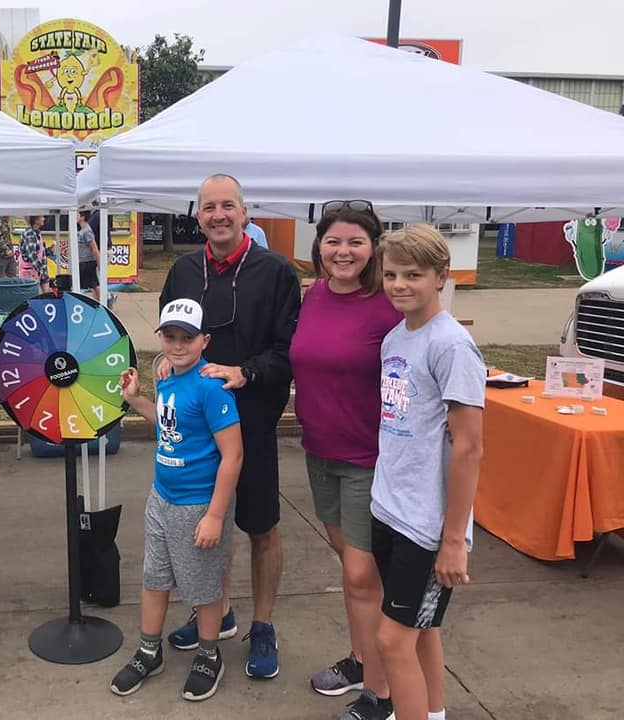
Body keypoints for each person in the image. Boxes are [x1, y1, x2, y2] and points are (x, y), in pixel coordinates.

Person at [160, 174, 300, 680]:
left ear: (245, 213)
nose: (218, 215)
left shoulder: (275, 271)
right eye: (208, 207)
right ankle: (215, 617)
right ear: (197, 216)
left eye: (227, 206)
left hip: (254, 420)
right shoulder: (182, 270)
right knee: (206, 529)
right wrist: (163, 361)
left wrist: (246, 372)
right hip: (196, 434)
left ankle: (262, 625)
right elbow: (173, 336)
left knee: (261, 528)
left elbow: (290, 351)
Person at [289, 201, 402, 720]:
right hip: (320, 452)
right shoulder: (312, 297)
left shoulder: (388, 306)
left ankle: (382, 695)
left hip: (368, 457)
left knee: (361, 575)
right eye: (333, 241)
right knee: (350, 566)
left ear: (373, 248)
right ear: (319, 248)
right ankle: (361, 659)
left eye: (356, 241)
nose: (343, 251)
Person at [373, 224, 485, 720]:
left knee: (392, 641)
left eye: (413, 275)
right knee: (421, 632)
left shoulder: (453, 347)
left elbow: (469, 448)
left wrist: (454, 539)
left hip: (427, 525)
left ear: (441, 276)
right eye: (391, 273)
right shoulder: (396, 338)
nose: (398, 284)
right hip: (389, 507)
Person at [110, 298, 242, 702]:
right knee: (154, 578)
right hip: (162, 497)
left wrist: (216, 515)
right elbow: (166, 422)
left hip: (198, 504)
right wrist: (135, 398)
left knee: (203, 588)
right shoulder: (167, 375)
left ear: (205, 340)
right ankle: (150, 650)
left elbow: (233, 455)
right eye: (170, 336)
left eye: (187, 338)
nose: (178, 345)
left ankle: (208, 655)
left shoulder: (211, 388)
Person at [19, 215, 49, 293]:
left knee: (46, 296)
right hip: (31, 273)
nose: (44, 219)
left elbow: (40, 252)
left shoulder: (37, 233)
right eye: (42, 217)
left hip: (39, 272)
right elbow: (32, 256)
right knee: (34, 296)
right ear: (36, 220)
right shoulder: (29, 234)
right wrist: (41, 271)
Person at [76, 210, 100, 300]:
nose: (75, 216)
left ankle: (105, 300)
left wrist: (99, 263)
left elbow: (94, 248)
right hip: (83, 261)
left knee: (94, 284)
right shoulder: (82, 230)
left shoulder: (86, 231)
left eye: (77, 214)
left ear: (82, 217)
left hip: (87, 262)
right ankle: (103, 300)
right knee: (93, 284)